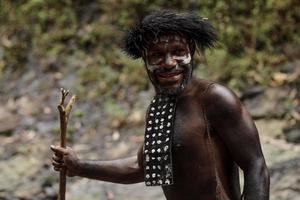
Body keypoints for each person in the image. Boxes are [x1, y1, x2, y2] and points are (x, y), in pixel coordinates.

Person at [51, 10, 270, 200]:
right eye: (157, 55)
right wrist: (80, 166)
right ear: (144, 59)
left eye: (177, 52)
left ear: (191, 51)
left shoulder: (214, 99)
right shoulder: (158, 108)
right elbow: (142, 168)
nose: (169, 63)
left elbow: (256, 166)